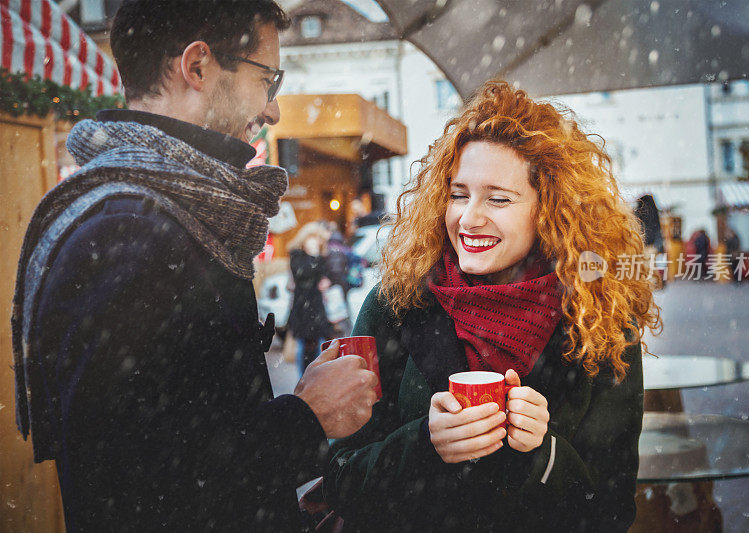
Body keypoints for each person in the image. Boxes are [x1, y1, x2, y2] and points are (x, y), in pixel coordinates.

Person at [11, 1, 377, 530]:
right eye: (268, 80)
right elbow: (136, 482)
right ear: (198, 66)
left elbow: (185, 430)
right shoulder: (129, 228)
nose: (272, 110)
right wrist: (306, 418)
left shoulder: (162, 209)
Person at [323, 81, 661, 531]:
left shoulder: (602, 321)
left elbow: (611, 511)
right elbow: (341, 479)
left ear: (550, 210)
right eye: (459, 194)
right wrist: (425, 444)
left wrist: (544, 453)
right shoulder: (396, 303)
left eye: (498, 198)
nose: (468, 217)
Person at [287, 222, 335, 372]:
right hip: (303, 307)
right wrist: (314, 257)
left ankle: (317, 378)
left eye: (318, 238)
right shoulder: (297, 255)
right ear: (305, 238)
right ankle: (304, 382)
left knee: (318, 345)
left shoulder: (320, 257)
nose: (316, 241)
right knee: (304, 346)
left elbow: (327, 274)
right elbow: (303, 273)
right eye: (313, 237)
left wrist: (327, 281)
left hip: (317, 306)